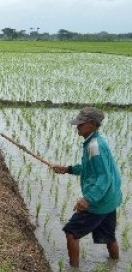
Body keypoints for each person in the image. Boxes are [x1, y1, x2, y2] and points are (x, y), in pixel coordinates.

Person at [52, 107, 122, 268]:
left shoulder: (94, 146)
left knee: (71, 233)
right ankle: (115, 265)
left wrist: (87, 199)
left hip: (99, 202)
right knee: (109, 237)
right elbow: (89, 168)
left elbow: (104, 177)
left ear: (92, 124)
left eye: (81, 124)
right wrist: (68, 169)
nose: (77, 127)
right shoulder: (95, 141)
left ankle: (74, 269)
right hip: (110, 199)